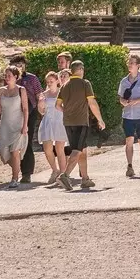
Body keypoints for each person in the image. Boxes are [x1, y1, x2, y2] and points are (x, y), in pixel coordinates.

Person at [59, 58, 105, 190]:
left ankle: (85, 179)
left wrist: (67, 112)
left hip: (68, 122)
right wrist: (100, 119)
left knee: (82, 151)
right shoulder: (85, 83)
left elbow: (58, 105)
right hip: (81, 122)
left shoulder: (64, 85)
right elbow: (92, 103)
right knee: (77, 150)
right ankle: (65, 175)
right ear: (80, 70)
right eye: (82, 69)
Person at [0, 62, 28, 188]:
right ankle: (17, 167)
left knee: (15, 152)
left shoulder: (21, 90)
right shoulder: (1, 91)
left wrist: (25, 125)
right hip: (5, 125)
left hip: (18, 124)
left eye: (9, 75)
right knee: (3, 152)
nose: (7, 77)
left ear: (15, 76)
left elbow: (25, 109)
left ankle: (14, 178)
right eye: (6, 75)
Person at [38, 70, 69, 185]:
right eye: (48, 81)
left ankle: (63, 174)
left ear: (57, 81)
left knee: (60, 149)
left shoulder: (62, 92)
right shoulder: (44, 94)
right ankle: (54, 170)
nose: (50, 83)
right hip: (48, 121)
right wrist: (41, 104)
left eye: (51, 81)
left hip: (60, 121)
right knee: (47, 148)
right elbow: (41, 112)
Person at [16, 57, 45, 182]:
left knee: (26, 141)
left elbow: (40, 95)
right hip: (14, 114)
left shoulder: (32, 78)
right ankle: (15, 172)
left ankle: (26, 172)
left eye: (20, 64)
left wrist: (41, 109)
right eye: (16, 64)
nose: (18, 67)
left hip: (30, 112)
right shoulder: (8, 79)